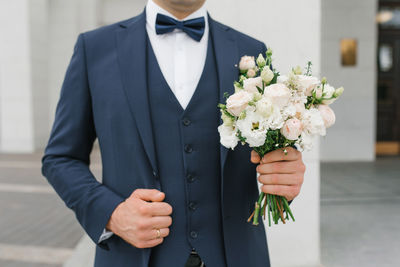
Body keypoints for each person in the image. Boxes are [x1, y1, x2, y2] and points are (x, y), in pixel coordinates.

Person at [41, 0, 306, 266]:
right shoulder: (94, 49)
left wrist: (285, 172)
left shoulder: (251, 51)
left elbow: (272, 149)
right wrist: (112, 213)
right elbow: (61, 158)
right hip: (134, 257)